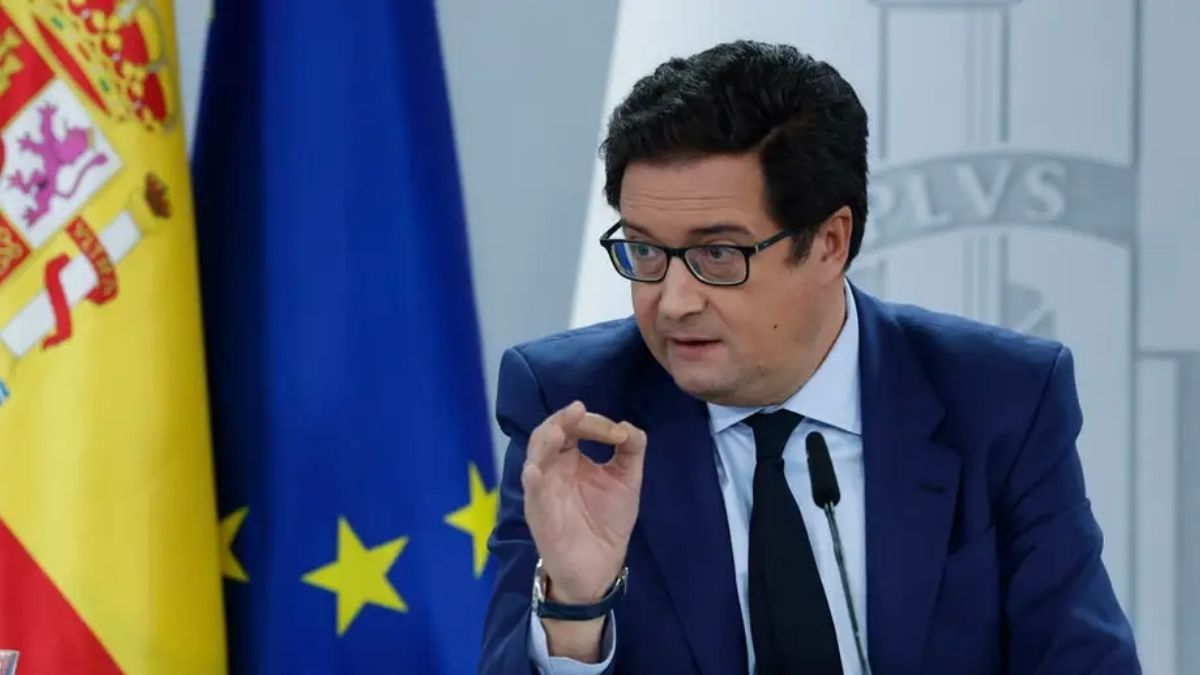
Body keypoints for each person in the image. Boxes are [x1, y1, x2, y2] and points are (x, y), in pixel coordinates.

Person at [477, 40, 1140, 675]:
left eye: (718, 254)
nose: (673, 301)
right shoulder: (577, 412)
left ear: (829, 242)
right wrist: (575, 606)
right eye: (646, 251)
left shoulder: (999, 401)